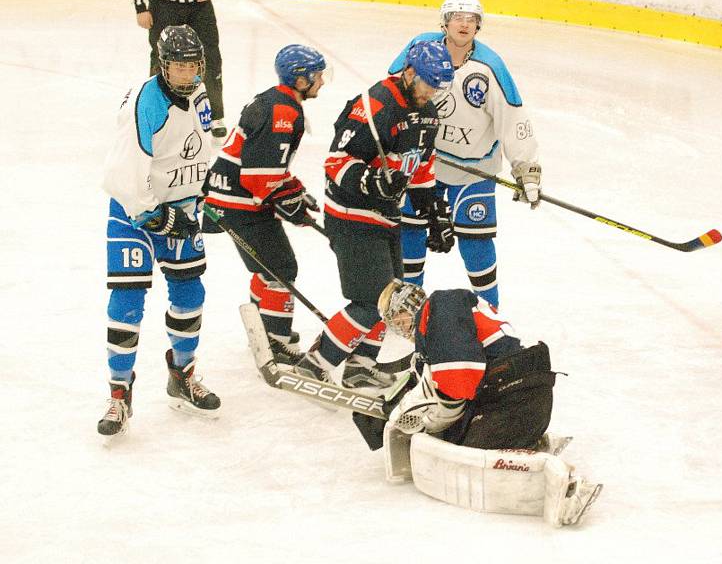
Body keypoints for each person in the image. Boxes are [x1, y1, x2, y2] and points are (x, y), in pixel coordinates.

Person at [360, 281, 601, 527]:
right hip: (520, 396)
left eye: (398, 318)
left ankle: (564, 486)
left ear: (410, 305)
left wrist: (426, 420)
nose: (401, 328)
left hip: (512, 398)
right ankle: (531, 443)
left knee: (464, 460)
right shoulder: (447, 313)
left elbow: (457, 385)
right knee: (454, 442)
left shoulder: (440, 308)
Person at [293, 40, 456, 393]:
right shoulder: (375, 105)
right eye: (428, 82)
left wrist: (434, 213)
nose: (432, 92)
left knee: (395, 300)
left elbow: (422, 166)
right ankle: (315, 363)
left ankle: (361, 365)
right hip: (351, 213)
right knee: (372, 302)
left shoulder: (429, 111)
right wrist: (371, 180)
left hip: (386, 215)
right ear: (409, 72)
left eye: (438, 86)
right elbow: (336, 162)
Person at [98, 24, 221, 437]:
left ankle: (182, 376)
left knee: (190, 293)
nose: (188, 74)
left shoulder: (200, 93)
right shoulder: (145, 103)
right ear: (163, 66)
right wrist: (160, 216)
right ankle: (119, 394)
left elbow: (200, 149)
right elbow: (124, 178)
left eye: (193, 66)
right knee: (128, 300)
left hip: (182, 209)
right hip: (136, 211)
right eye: (179, 67)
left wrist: (203, 197)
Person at [388, 0, 541, 308]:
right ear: (444, 21)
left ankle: (490, 313)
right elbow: (391, 92)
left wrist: (526, 167)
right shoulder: (421, 48)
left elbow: (512, 117)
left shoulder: (490, 66)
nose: (464, 24)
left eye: (471, 19)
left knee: (477, 241)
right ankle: (407, 310)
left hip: (473, 170)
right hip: (421, 163)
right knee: (411, 233)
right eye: (458, 17)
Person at [202, 44, 329, 367]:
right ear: (300, 80)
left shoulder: (277, 100)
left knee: (268, 266)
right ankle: (274, 339)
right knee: (282, 269)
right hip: (240, 202)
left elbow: (267, 165)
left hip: (229, 198)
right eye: (317, 76)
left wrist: (293, 191)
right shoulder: (283, 112)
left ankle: (264, 326)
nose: (322, 82)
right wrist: (288, 203)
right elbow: (259, 176)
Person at [125, 0, 228, 141]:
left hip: (200, 5)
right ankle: (158, 111)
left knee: (210, 59)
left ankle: (214, 115)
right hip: (164, 5)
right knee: (162, 59)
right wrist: (140, 7)